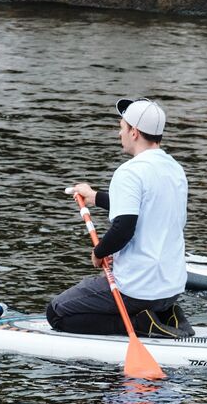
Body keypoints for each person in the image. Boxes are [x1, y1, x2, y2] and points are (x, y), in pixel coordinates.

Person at [52, 98, 192, 338]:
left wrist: (99, 252)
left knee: (58, 312)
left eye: (122, 127)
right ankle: (164, 315)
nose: (120, 133)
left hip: (137, 288)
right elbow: (147, 206)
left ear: (134, 132)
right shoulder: (174, 169)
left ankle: (141, 325)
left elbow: (124, 227)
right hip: (170, 288)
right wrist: (95, 197)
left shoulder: (129, 171)